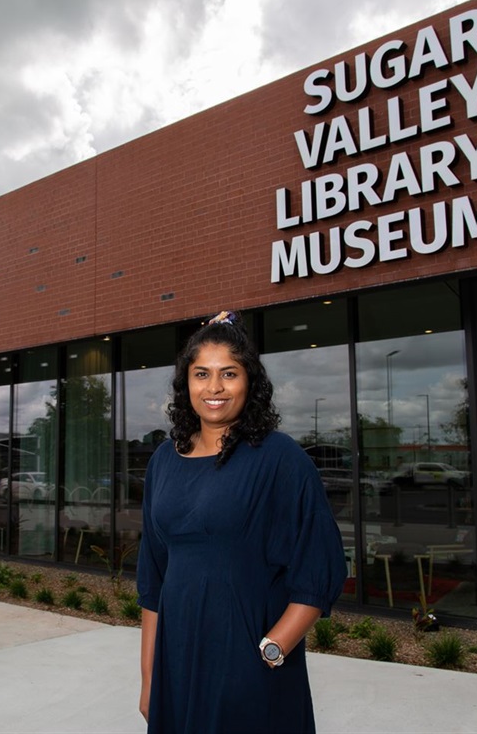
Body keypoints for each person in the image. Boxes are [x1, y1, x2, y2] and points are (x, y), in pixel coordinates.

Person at [136, 311, 347, 733]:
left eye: (228, 373)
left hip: (250, 664)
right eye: (201, 374)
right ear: (186, 385)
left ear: (249, 382)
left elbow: (319, 568)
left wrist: (271, 652)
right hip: (177, 662)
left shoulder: (280, 458)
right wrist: (149, 679)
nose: (214, 387)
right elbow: (153, 579)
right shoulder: (163, 460)